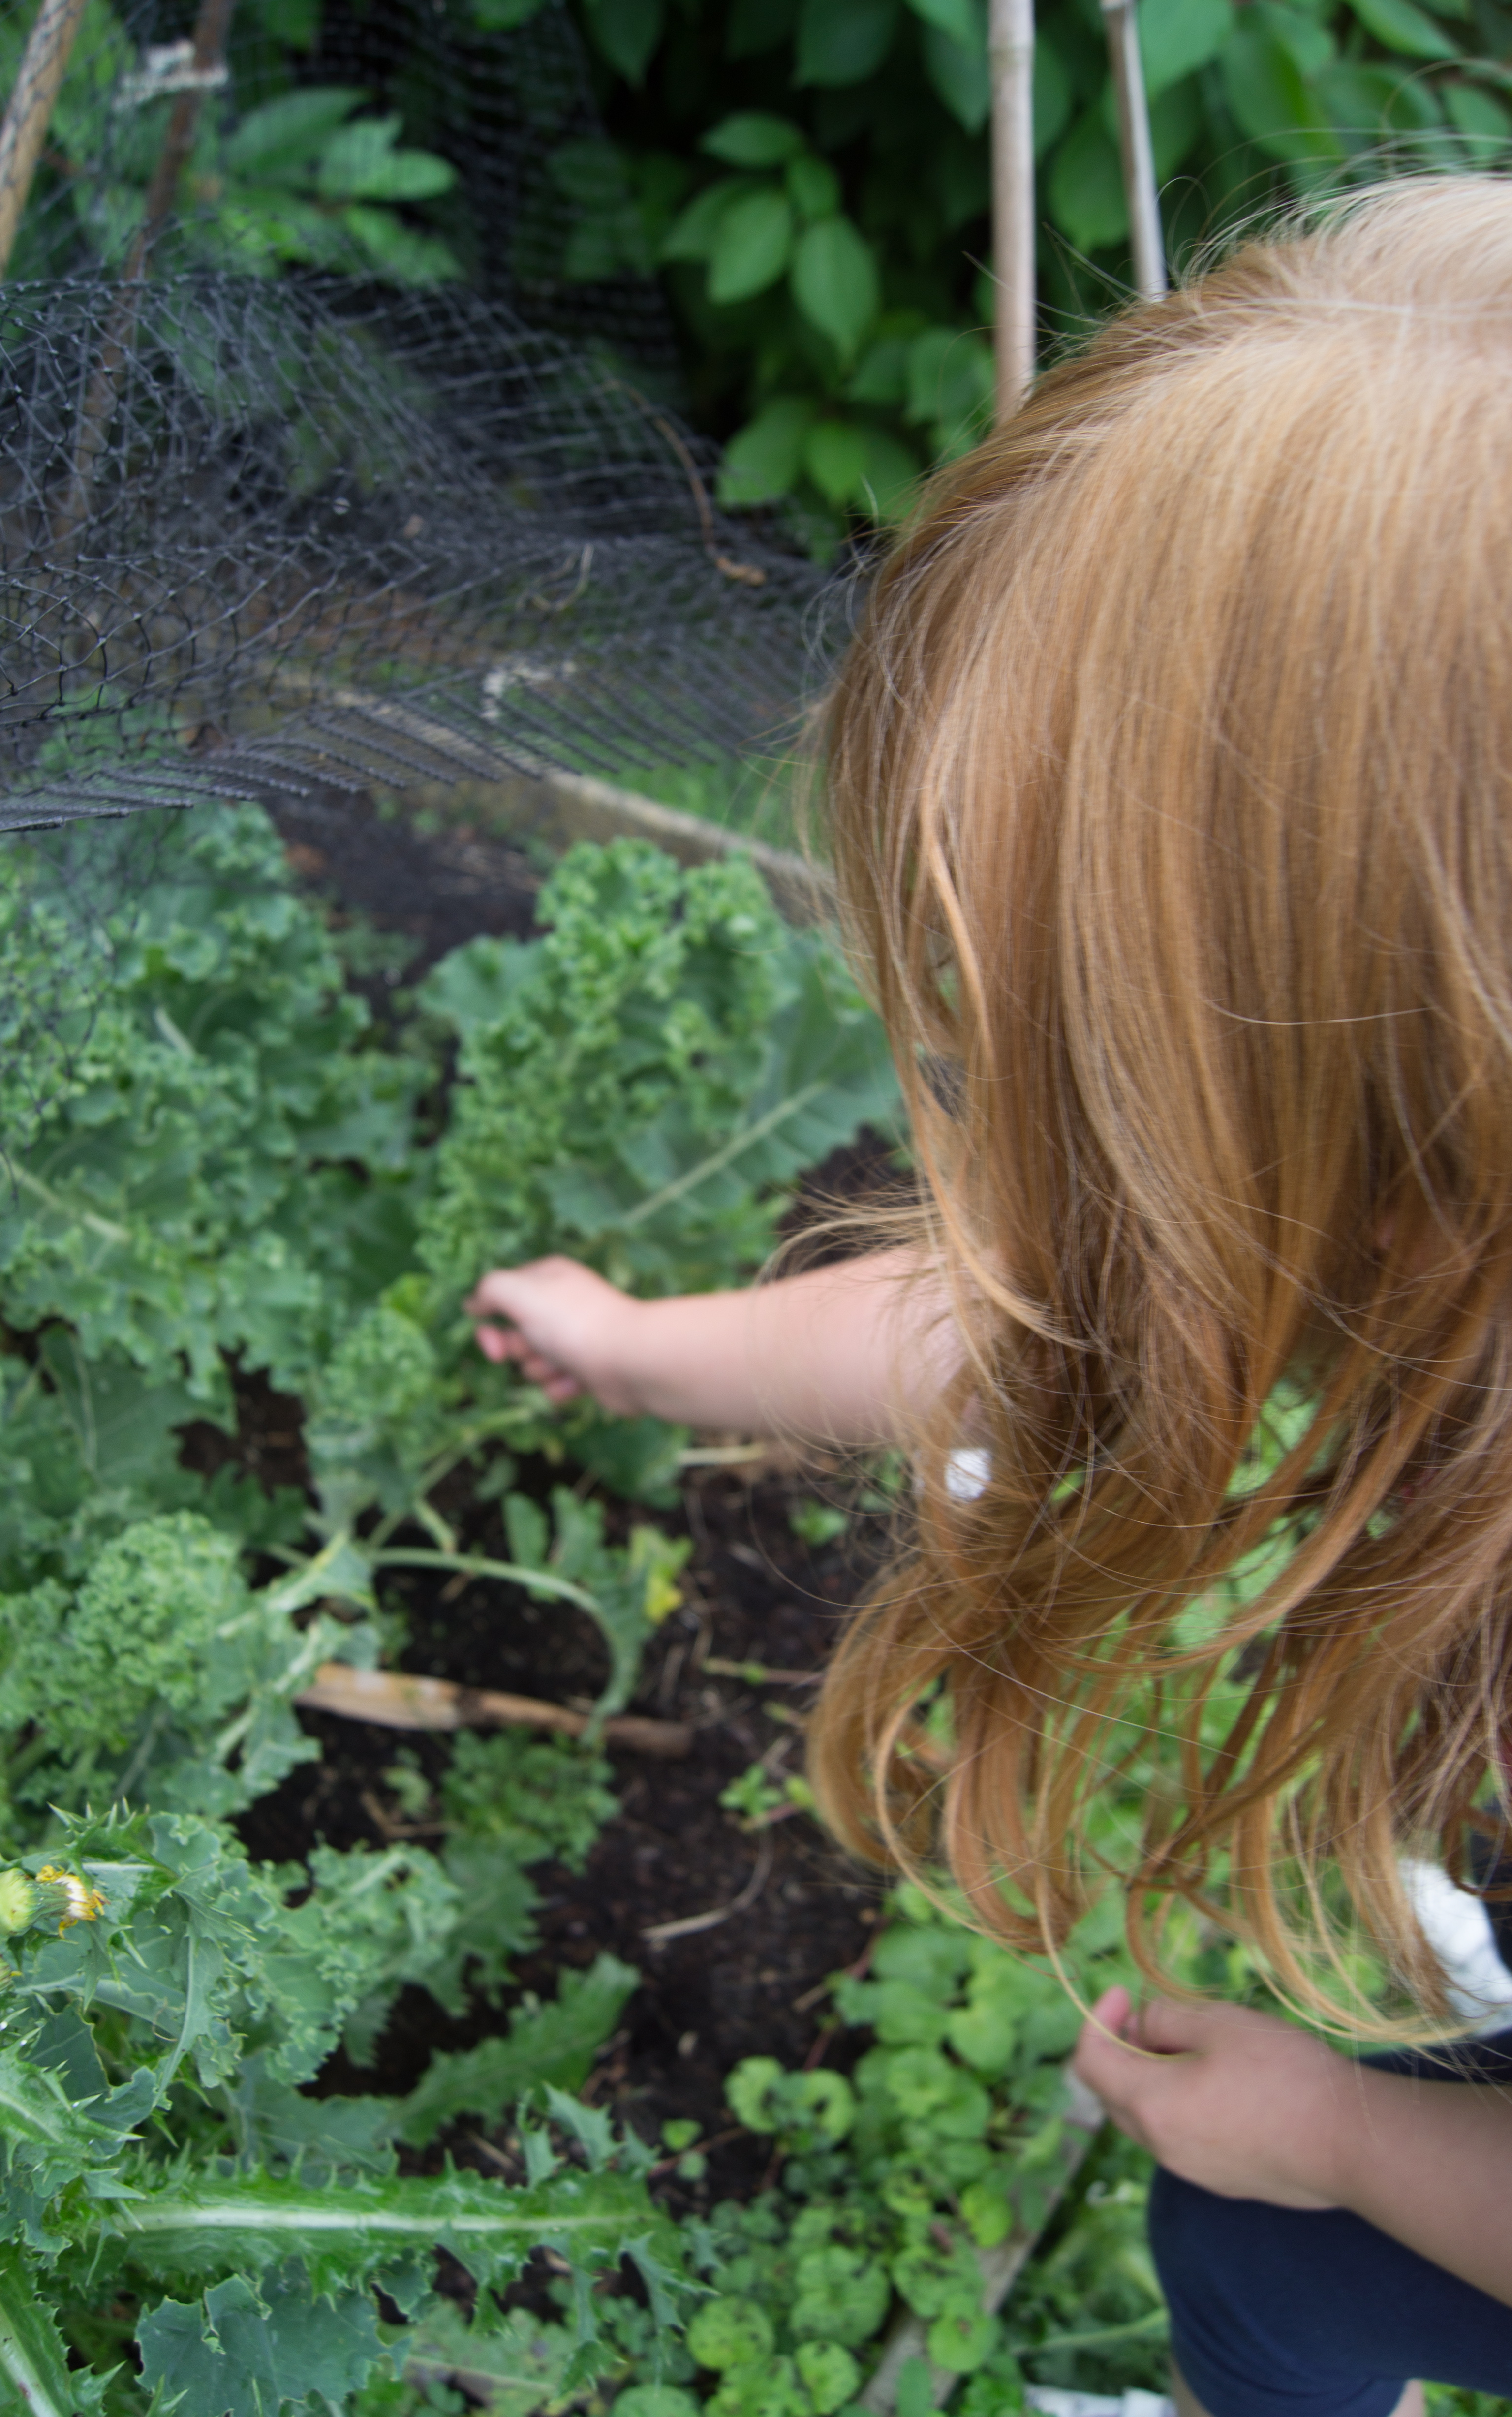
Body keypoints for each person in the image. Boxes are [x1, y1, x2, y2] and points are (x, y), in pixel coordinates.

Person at [467, 178, 1512, 2417]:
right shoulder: (1447, 1262)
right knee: (1258, 2237)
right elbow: (1041, 1336)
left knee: (1265, 2216)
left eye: (1105, 1074)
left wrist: (1351, 2135)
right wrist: (637, 1343)